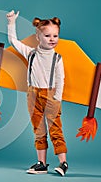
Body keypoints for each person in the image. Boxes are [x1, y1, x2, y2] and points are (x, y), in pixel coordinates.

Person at [6, 10, 68, 176]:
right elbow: (13, 41)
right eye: (47, 36)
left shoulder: (57, 58)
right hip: (33, 95)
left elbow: (60, 79)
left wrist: (57, 98)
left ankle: (63, 163)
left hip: (51, 96)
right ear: (38, 37)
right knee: (39, 130)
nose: (52, 39)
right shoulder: (31, 53)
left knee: (55, 130)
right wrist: (11, 22)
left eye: (55, 36)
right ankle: (42, 163)